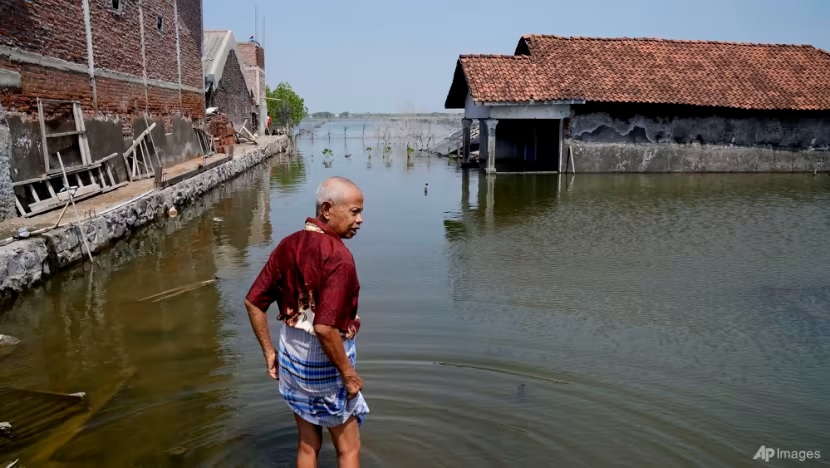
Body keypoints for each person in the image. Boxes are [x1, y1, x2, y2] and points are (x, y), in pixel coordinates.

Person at [244, 176, 368, 468]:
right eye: (354, 212)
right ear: (327, 209)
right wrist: (348, 375)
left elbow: (253, 302)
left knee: (307, 443)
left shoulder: (288, 245)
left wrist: (269, 352)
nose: (360, 219)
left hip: (292, 358)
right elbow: (325, 327)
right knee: (349, 448)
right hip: (325, 362)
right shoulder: (338, 257)